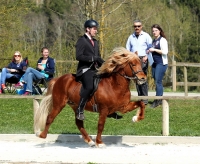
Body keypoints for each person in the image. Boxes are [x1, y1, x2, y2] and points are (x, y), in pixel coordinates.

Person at [75, 19, 122, 120]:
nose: (96, 31)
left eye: (96, 29)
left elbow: (98, 57)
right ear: (88, 29)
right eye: (94, 29)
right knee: (90, 86)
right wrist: (92, 59)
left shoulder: (95, 42)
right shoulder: (81, 40)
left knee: (109, 82)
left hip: (95, 69)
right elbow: (78, 56)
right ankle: (80, 109)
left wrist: (108, 65)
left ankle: (110, 110)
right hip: (85, 69)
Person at [126, 20, 152, 105]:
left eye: (138, 26)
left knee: (142, 78)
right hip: (134, 59)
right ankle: (140, 98)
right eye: (135, 26)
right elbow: (127, 49)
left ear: (141, 27)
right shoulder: (131, 37)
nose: (137, 28)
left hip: (143, 58)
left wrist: (146, 56)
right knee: (136, 79)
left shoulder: (146, 36)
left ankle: (144, 99)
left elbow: (150, 47)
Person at [148, 24, 168, 108]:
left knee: (158, 82)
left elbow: (165, 52)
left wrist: (154, 50)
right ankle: (159, 97)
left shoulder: (162, 40)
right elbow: (153, 52)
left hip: (161, 63)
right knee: (156, 80)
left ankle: (158, 100)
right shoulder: (153, 41)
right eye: (153, 31)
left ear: (159, 31)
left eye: (156, 30)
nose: (154, 32)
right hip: (154, 63)